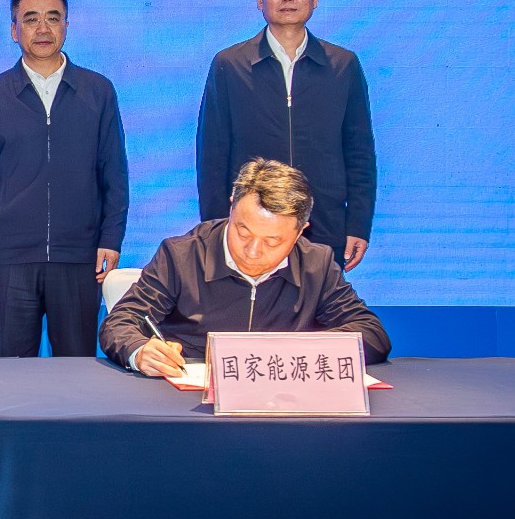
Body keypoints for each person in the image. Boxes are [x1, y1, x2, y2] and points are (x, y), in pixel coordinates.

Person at [101, 158, 389, 377]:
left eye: (273, 241)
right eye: (243, 231)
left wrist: (292, 353)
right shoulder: (182, 255)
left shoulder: (316, 264)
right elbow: (121, 322)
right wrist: (140, 351)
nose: (252, 251)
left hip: (282, 400)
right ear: (231, 207)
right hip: (191, 396)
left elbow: (371, 333)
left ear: (300, 232)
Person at [0, 0, 129, 357]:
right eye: (31, 19)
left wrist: (111, 238)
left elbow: (114, 174)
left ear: (66, 26)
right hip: (11, 258)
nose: (42, 29)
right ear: (14, 29)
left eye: (53, 19)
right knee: (12, 369)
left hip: (79, 256)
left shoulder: (97, 91)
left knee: (76, 366)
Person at [196, 0, 377, 271]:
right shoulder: (231, 65)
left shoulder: (342, 65)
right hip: (252, 227)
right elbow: (212, 154)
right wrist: (215, 227)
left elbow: (359, 152)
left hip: (323, 222)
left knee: (319, 302)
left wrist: (358, 224)